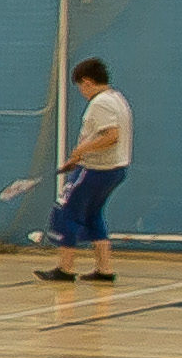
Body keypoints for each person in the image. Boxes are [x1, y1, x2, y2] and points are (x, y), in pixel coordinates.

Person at [33, 59, 130, 282]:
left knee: (65, 211)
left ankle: (65, 269)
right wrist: (78, 159)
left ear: (87, 82)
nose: (82, 93)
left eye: (80, 87)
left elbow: (111, 135)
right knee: (93, 215)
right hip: (112, 169)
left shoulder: (101, 103)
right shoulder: (118, 99)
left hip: (97, 170)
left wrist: (80, 151)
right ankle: (104, 269)